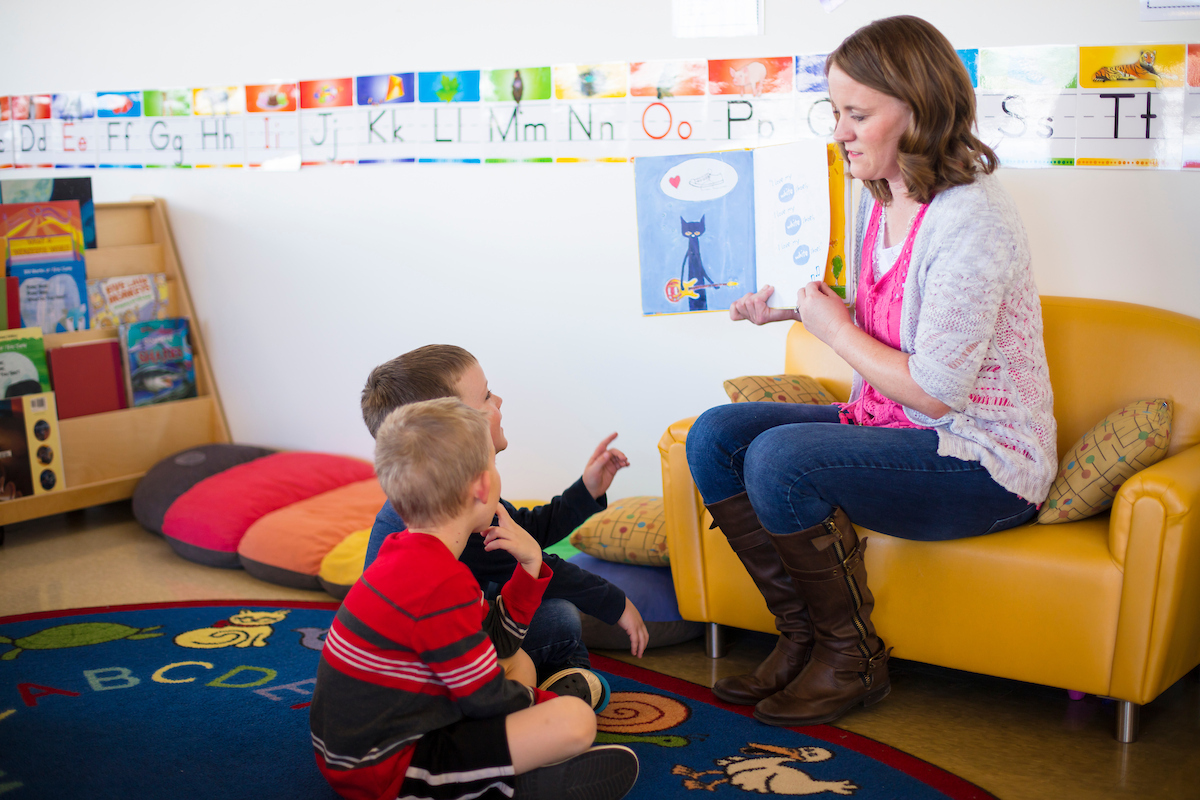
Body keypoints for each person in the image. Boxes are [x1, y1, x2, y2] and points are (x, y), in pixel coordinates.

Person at [685, 15, 1057, 728]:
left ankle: (850, 660)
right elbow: (897, 314)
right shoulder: (877, 195)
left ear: (919, 112)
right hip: (894, 424)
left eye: (857, 114)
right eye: (837, 112)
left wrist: (836, 330)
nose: (840, 132)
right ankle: (802, 638)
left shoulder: (974, 217)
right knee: (717, 435)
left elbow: (935, 390)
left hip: (984, 459)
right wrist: (795, 313)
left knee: (780, 458)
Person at [310, 398, 639, 800]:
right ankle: (507, 785)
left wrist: (530, 564)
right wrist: (546, 706)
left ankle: (506, 769)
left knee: (517, 660)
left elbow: (499, 643)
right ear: (483, 486)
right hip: (389, 771)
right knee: (576, 721)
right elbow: (485, 698)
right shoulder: (439, 584)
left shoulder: (409, 554)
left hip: (361, 752)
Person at [360, 345, 650, 681]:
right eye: (486, 396)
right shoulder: (449, 520)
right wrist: (616, 603)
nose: (498, 401)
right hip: (425, 670)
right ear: (452, 427)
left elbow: (524, 530)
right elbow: (544, 565)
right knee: (561, 617)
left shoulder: (437, 495)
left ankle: (559, 676)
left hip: (440, 640)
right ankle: (571, 676)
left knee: (531, 604)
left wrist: (586, 491)